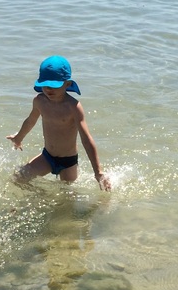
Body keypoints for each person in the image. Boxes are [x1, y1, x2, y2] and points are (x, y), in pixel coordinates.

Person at [7, 55, 111, 190]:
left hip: (68, 162)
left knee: (67, 198)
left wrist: (98, 172)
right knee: (17, 178)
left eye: (54, 85)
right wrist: (18, 138)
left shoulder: (73, 107)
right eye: (45, 85)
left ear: (67, 84)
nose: (49, 89)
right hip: (47, 157)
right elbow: (30, 121)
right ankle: (42, 197)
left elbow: (86, 139)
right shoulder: (40, 101)